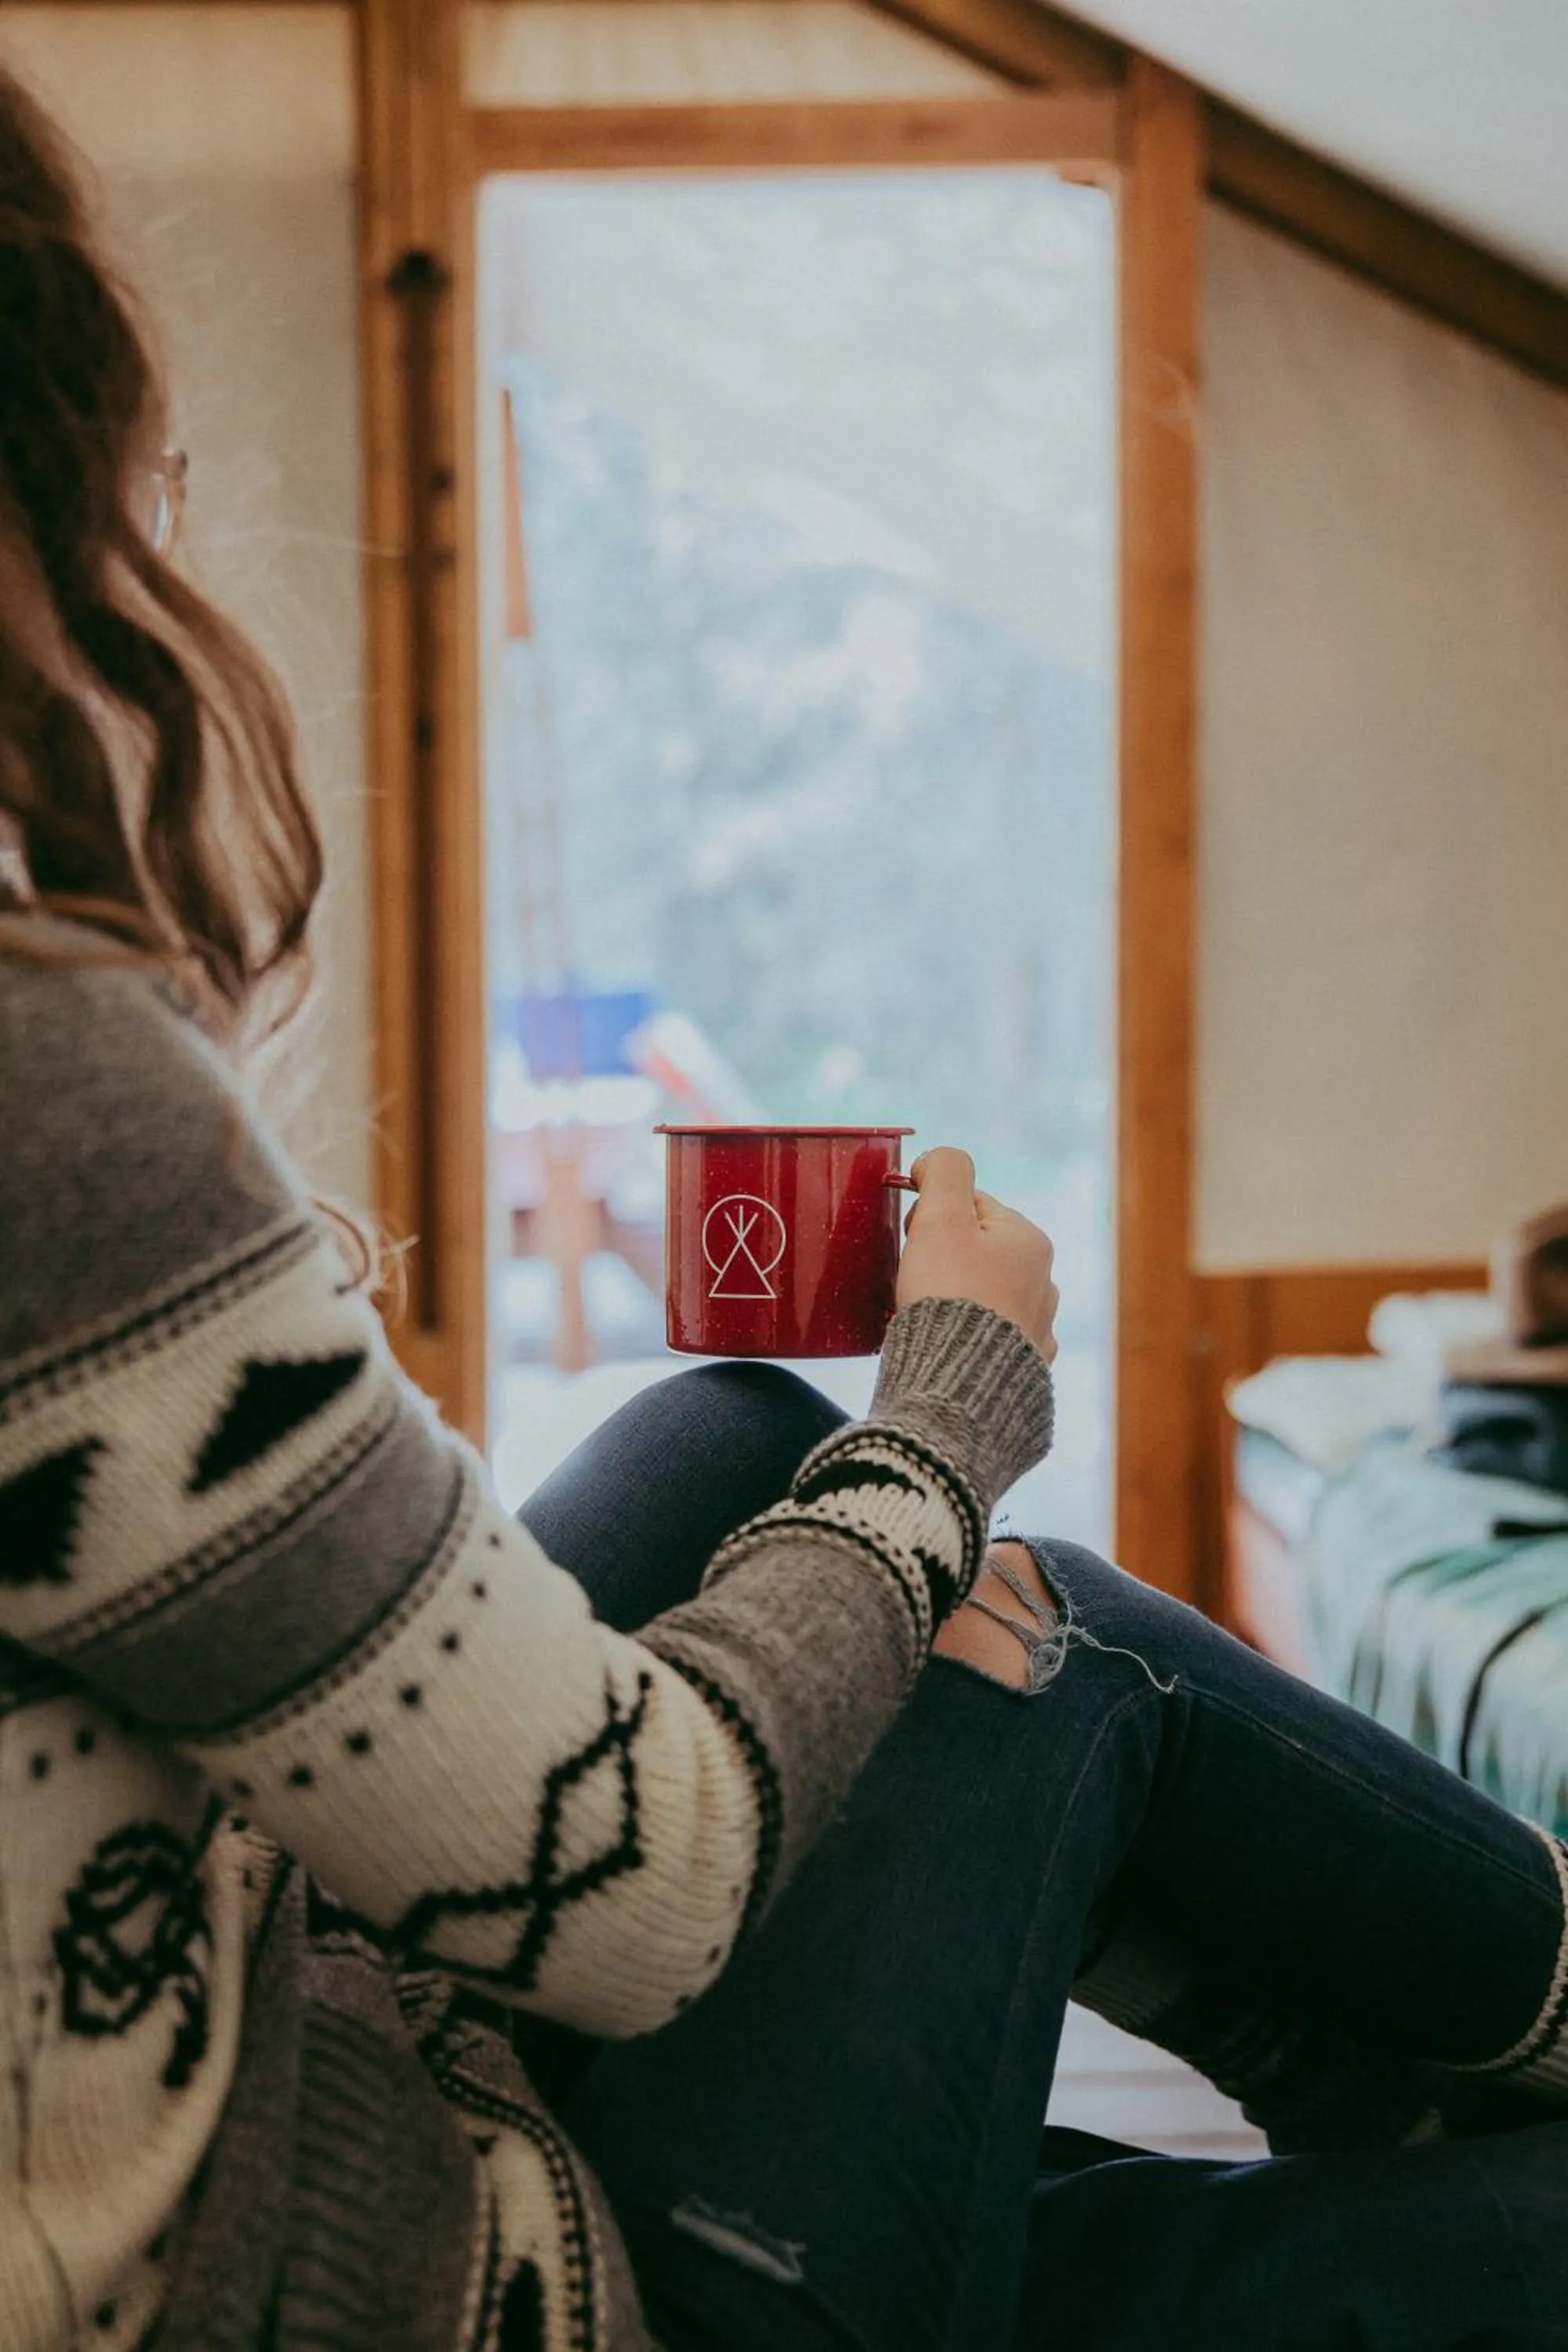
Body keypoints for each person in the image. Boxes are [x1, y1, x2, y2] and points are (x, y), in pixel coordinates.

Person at [0, 61, 1565, 2352]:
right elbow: (632, 1883)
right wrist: (946, 1420)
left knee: (739, 1432)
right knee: (1016, 1634)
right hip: (432, 2282)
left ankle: (1415, 2069)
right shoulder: (46, 1072)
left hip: (239, 2043)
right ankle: (1480, 2066)